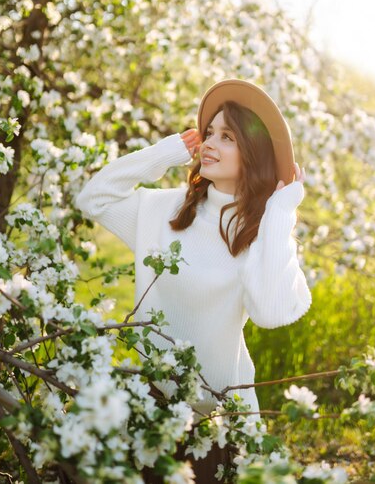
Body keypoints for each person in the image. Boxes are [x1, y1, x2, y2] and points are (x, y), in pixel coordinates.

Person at [74, 79, 311, 482]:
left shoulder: (258, 235)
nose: (210, 144)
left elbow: (271, 312)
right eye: (210, 133)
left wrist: (281, 211)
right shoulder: (165, 211)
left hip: (217, 421)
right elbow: (93, 197)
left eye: (228, 137)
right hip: (152, 407)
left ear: (253, 155)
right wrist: (166, 153)